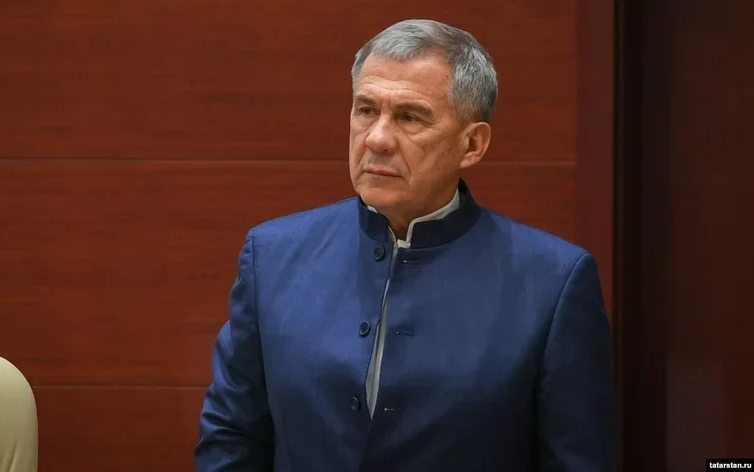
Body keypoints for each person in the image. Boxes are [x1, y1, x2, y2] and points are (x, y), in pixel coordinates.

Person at [195, 19, 616, 471]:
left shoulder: (553, 283)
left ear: (472, 144)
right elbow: (232, 436)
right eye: (366, 110)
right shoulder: (272, 255)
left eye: (410, 117)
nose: (377, 138)